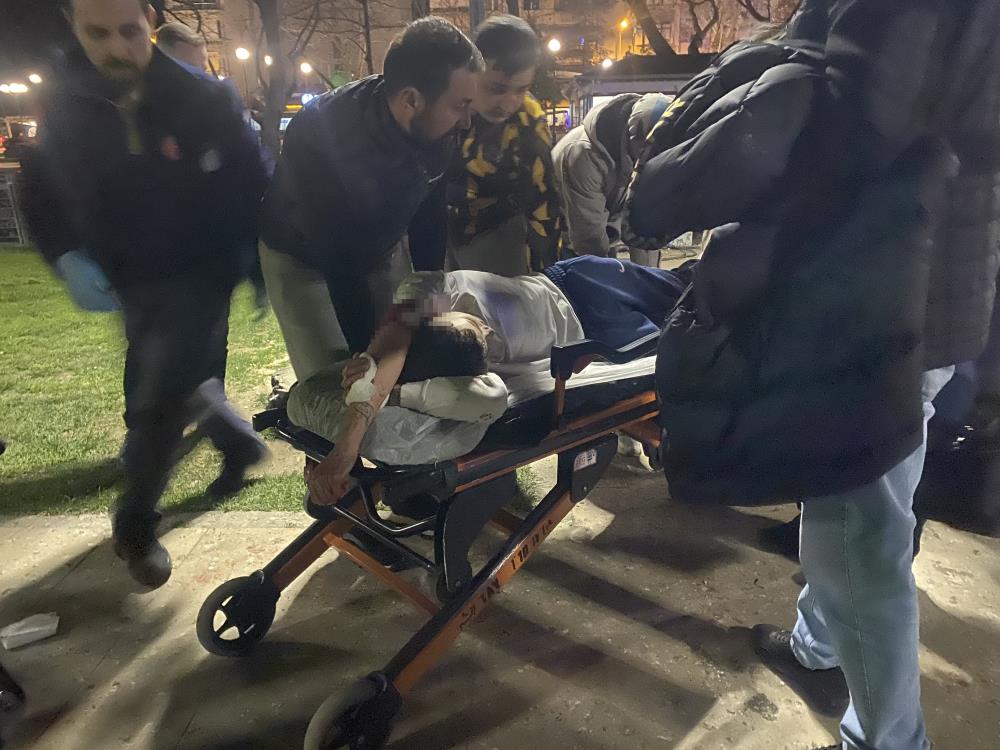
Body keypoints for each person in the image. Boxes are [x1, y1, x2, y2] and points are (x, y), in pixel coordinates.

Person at [628, 1, 1000, 748]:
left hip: (878, 298)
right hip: (932, 289)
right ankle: (818, 646)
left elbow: (851, 128)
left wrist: (772, 73)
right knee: (865, 500)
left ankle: (888, 738)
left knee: (856, 536)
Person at [20, 0, 270, 590]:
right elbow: (40, 187)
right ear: (73, 27)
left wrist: (257, 262)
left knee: (157, 396)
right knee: (176, 377)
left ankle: (134, 522)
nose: (117, 48)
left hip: (200, 270)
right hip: (125, 275)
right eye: (98, 34)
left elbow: (252, 179)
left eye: (130, 31)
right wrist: (65, 254)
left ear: (151, 21)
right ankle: (233, 438)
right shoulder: (64, 97)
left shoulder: (202, 97)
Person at [306, 254, 691, 505]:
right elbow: (485, 400)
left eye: (469, 324)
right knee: (684, 326)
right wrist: (398, 395)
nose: (486, 331)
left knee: (687, 288)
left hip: (578, 285)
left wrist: (345, 450)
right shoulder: (464, 371)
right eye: (480, 340)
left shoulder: (437, 293)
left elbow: (393, 337)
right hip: (597, 336)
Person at [259, 17, 484, 381]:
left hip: (379, 247)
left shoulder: (437, 124)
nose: (467, 121)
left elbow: (430, 210)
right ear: (411, 100)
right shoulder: (321, 133)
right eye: (460, 106)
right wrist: (365, 354)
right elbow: (339, 259)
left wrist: (430, 294)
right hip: (303, 259)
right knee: (339, 381)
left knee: (408, 361)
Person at [446, 15, 559, 277]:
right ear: (472, 69)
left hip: (495, 235)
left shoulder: (529, 125)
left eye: (521, 90)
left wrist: (547, 277)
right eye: (496, 89)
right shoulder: (445, 102)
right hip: (438, 227)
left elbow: (543, 204)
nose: (508, 103)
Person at [551, 93, 669, 266]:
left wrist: (649, 275)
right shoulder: (584, 155)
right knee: (590, 271)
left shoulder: (645, 152)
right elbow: (588, 239)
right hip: (563, 235)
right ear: (634, 139)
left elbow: (644, 225)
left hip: (603, 224)